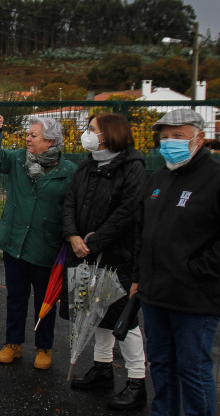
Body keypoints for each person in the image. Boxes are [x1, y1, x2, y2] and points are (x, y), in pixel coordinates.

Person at [133, 109, 220, 416]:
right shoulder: (159, 177)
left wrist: (197, 269)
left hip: (195, 298)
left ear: (199, 138)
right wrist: (140, 277)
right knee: (161, 365)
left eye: (178, 136)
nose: (169, 143)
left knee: (192, 370)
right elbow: (145, 233)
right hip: (155, 295)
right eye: (164, 137)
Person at [62, 114, 148, 410]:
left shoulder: (132, 168)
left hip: (117, 257)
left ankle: (137, 379)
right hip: (84, 253)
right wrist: (73, 235)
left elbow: (128, 212)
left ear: (109, 134)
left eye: (93, 129)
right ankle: (101, 367)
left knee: (124, 318)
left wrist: (93, 243)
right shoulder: (87, 165)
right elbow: (70, 200)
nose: (88, 134)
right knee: (95, 311)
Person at [0, 115, 75, 370]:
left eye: (33, 135)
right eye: (27, 134)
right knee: (16, 296)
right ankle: (13, 343)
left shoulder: (68, 171)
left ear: (50, 141)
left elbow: (73, 207)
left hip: (46, 246)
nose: (27, 138)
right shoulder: (18, 159)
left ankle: (44, 347)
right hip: (16, 241)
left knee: (45, 300)